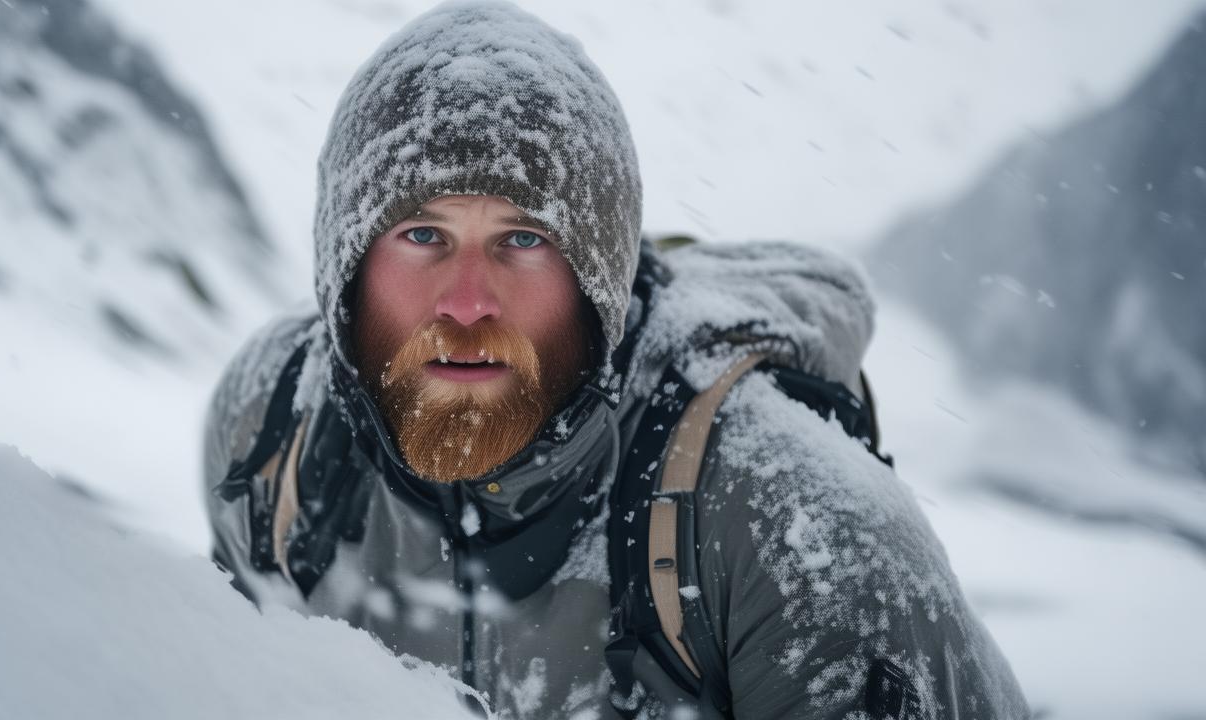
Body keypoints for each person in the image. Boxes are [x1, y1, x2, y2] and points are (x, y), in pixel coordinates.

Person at [203, 2, 1028, 718]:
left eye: (522, 240)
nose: (465, 301)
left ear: (597, 283)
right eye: (423, 235)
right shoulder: (273, 435)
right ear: (344, 275)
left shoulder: (795, 527)